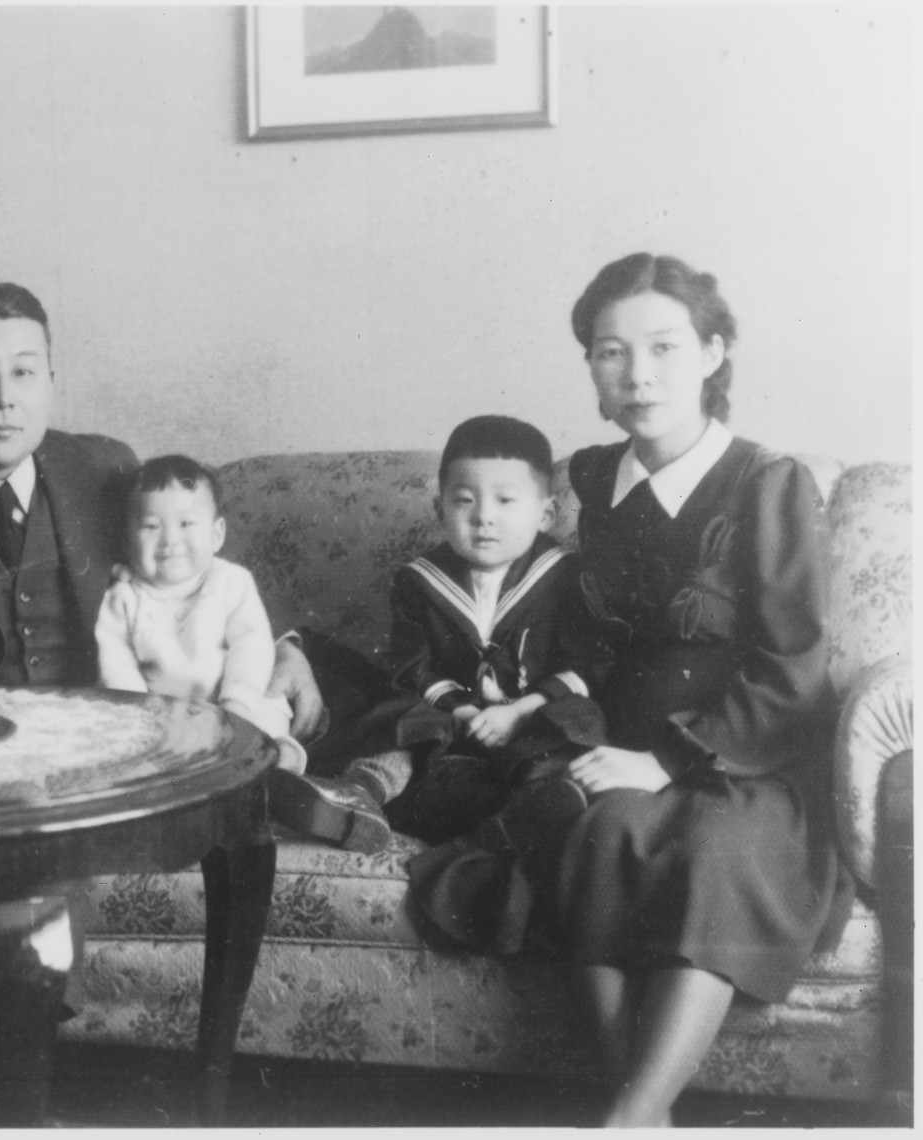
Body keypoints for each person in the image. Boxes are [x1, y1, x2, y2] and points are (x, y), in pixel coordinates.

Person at [0, 283, 326, 1125]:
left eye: (25, 372)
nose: (3, 398)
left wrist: (287, 647)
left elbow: (200, 570)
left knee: (39, 855)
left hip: (96, 760)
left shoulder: (100, 469)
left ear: (51, 383)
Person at [546, 253, 853, 1126]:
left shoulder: (771, 483)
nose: (637, 375)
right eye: (611, 352)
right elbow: (583, 638)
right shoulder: (595, 480)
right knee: (598, 836)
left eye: (665, 348)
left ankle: (629, 1119)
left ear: (714, 354)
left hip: (749, 759)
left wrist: (667, 758)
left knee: (717, 846)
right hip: (624, 754)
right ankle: (643, 1112)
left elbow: (795, 665)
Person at [284, 415, 605, 866]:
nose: (483, 517)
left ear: (546, 512)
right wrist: (461, 711)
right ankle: (367, 796)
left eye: (506, 500)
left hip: (531, 721)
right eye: (464, 500)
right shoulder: (419, 582)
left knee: (571, 731)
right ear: (439, 510)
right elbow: (413, 668)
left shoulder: (566, 577)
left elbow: (586, 665)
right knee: (403, 725)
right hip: (453, 727)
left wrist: (518, 712)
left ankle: (530, 809)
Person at [94, 453, 308, 773]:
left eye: (186, 523)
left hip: (236, 697)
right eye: (151, 526)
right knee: (125, 739)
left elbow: (252, 645)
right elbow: (116, 664)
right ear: (128, 539)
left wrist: (235, 705)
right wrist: (142, 719)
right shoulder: (123, 597)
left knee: (265, 714)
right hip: (165, 711)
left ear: (217, 534)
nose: (170, 539)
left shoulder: (231, 582)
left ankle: (277, 759)